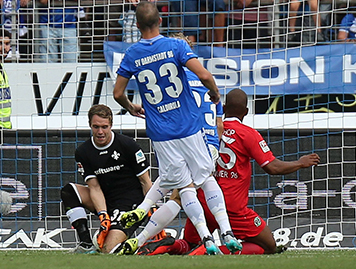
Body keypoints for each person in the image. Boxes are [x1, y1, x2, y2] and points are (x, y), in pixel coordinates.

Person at [113, 2, 241, 255]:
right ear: (160, 21)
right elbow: (205, 76)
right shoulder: (177, 46)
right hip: (188, 127)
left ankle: (206, 239)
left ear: (136, 25)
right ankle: (225, 232)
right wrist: (215, 95)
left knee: (183, 187)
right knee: (205, 179)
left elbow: (118, 93)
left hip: (160, 134)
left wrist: (129, 106)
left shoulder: (132, 54)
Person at [135, 88, 320, 256]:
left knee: (188, 243)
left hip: (202, 200)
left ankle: (168, 245)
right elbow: (272, 167)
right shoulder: (248, 134)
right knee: (269, 246)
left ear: (223, 107)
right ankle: (207, 252)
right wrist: (300, 163)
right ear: (246, 112)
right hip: (232, 208)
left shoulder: (207, 129)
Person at [62, 104, 152, 254]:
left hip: (131, 203)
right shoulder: (83, 152)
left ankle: (140, 247)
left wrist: (150, 208)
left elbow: (145, 181)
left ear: (111, 125)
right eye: (96, 127)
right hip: (106, 200)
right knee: (68, 191)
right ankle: (85, 244)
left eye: (104, 127)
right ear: (90, 125)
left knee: (108, 250)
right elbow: (95, 188)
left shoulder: (127, 145)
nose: (100, 132)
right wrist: (103, 214)